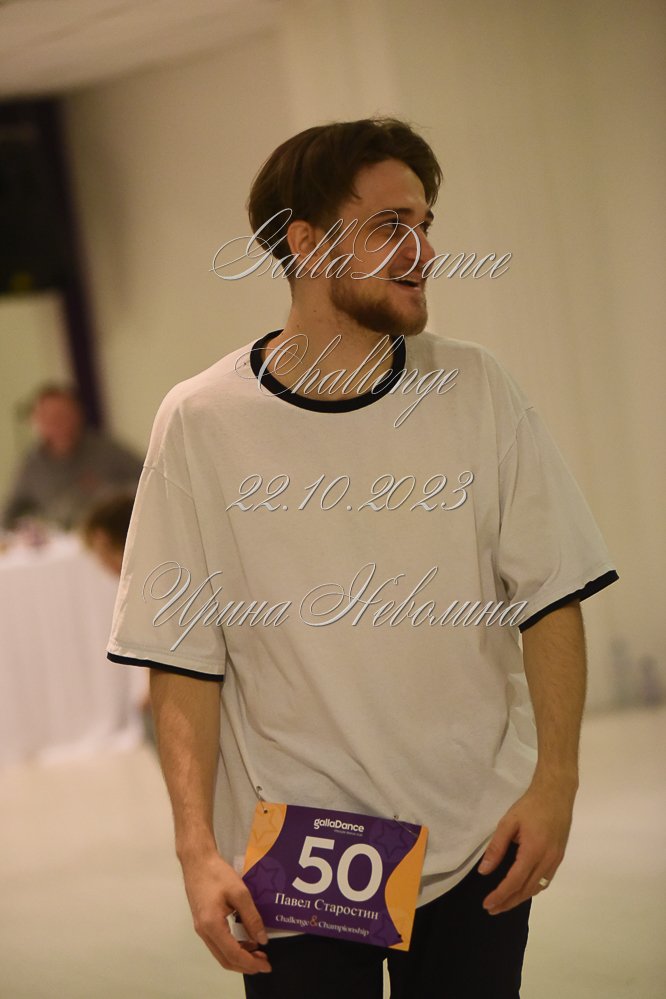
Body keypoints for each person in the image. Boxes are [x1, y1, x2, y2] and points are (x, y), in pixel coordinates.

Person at [106, 117, 618, 998]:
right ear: (307, 243)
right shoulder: (199, 422)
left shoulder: (477, 389)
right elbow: (180, 652)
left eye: (425, 223)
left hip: (472, 843)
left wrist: (556, 782)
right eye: (390, 226)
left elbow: (550, 594)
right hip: (298, 858)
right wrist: (195, 848)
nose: (423, 250)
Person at [2, 384, 143, 531]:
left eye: (63, 415)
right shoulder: (32, 464)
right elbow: (10, 512)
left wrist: (107, 490)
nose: (57, 423)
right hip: (57, 538)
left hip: (107, 532)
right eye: (49, 417)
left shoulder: (106, 449)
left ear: (78, 414)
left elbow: (146, 481)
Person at [81, 492, 155, 747]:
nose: (99, 562)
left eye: (98, 552)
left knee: (148, 720)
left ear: (103, 540)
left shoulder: (146, 582)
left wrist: (152, 690)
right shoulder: (147, 576)